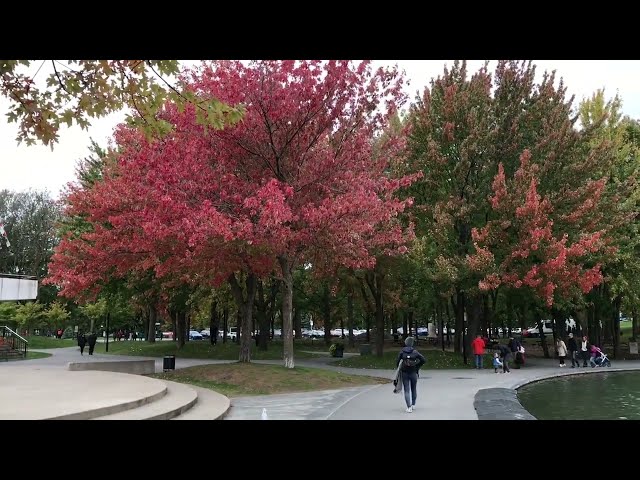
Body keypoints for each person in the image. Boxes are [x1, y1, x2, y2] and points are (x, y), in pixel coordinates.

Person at [395, 337, 426, 413]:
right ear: (412, 343)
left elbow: (397, 362)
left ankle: (409, 407)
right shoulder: (415, 352)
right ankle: (413, 405)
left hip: (405, 373)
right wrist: (417, 366)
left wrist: (400, 368)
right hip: (413, 373)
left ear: (405, 343)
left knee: (406, 390)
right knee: (413, 388)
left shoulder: (402, 352)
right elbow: (423, 360)